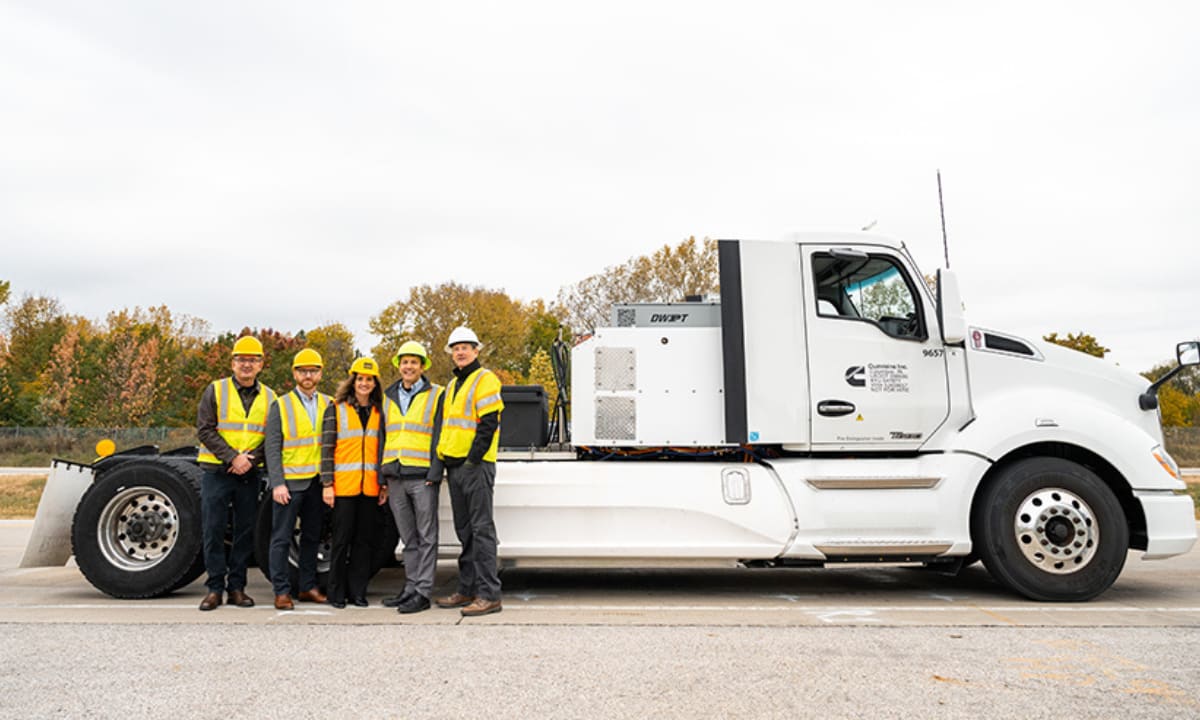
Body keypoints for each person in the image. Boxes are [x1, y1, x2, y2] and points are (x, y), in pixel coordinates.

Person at [195, 335, 276, 611]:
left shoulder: (270, 397)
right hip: (217, 471)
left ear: (261, 365)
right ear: (232, 362)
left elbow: (274, 437)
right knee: (214, 529)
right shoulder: (215, 390)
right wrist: (232, 457)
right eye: (242, 359)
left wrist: (249, 461)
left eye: (252, 360)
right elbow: (205, 429)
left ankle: (237, 588)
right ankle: (215, 588)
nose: (247, 365)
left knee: (245, 532)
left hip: (249, 474)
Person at [432, 326, 505, 617]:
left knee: (481, 529)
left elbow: (488, 423)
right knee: (465, 531)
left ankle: (489, 595)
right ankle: (467, 588)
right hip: (456, 465)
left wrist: (473, 459)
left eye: (466, 347)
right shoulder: (452, 386)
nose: (460, 351)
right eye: (456, 347)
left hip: (474, 465)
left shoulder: (485, 379)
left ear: (476, 350)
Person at [263, 348, 332, 610]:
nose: (308, 375)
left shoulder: (328, 403)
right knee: (280, 538)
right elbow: (272, 446)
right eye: (303, 371)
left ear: (320, 373)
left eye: (313, 371)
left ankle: (307, 587)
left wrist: (328, 482)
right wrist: (277, 483)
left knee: (312, 537)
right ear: (295, 373)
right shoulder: (281, 404)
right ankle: (281, 591)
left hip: (316, 483)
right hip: (290, 484)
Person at [379, 341, 444, 614]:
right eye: (404, 362)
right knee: (408, 538)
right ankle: (410, 587)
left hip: (422, 477)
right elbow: (384, 435)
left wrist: (435, 471)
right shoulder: (388, 395)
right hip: (395, 475)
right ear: (399, 365)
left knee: (427, 535)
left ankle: (423, 592)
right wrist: (382, 475)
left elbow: (441, 433)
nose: (408, 367)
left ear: (422, 366)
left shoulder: (436, 394)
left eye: (414, 362)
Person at [321, 356, 390, 609]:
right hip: (344, 488)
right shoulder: (336, 408)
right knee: (341, 541)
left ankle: (358, 592)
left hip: (370, 489)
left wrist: (383, 484)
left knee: (364, 543)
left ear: (375, 383)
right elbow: (326, 448)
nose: (364, 383)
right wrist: (327, 484)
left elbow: (383, 450)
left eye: (369, 379)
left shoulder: (379, 411)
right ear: (353, 381)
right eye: (360, 378)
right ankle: (336, 593)